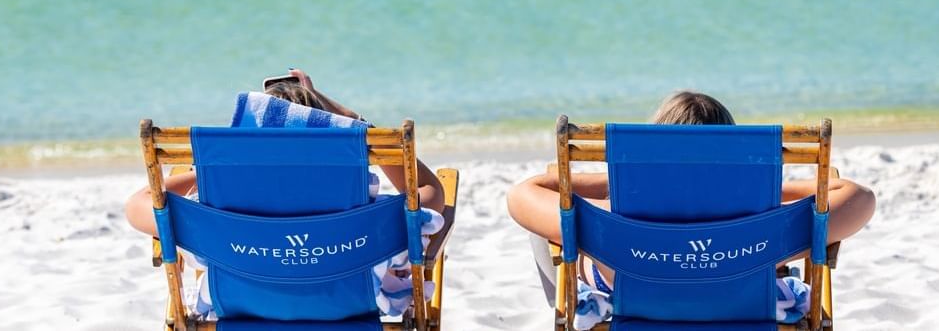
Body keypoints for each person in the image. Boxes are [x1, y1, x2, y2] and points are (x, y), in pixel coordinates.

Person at [506, 91, 876, 327]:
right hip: (738, 304)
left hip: (635, 302)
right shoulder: (761, 215)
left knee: (556, 231)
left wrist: (618, 185)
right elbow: (860, 198)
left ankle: (577, 308)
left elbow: (524, 194)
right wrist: (761, 188)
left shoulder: (612, 214)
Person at [125, 68, 446, 319]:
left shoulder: (212, 218)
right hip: (348, 309)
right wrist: (358, 125)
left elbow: (138, 205)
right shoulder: (368, 215)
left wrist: (219, 171)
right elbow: (429, 193)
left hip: (241, 308)